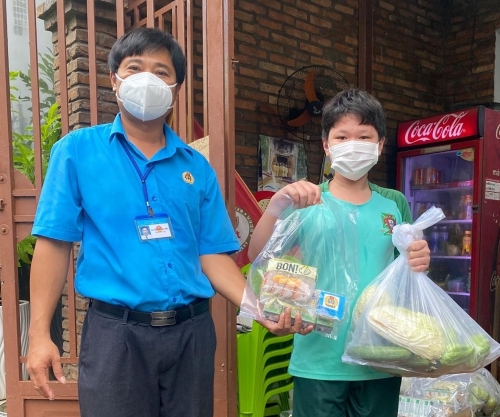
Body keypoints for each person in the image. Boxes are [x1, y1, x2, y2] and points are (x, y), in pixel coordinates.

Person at [26, 27, 308, 417]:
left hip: (191, 334)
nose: (147, 79)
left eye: (161, 72)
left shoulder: (197, 168)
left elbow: (212, 255)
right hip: (116, 336)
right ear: (114, 79)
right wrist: (39, 334)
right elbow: (54, 243)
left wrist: (259, 308)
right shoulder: (77, 152)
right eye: (135, 67)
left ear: (175, 87)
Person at [248, 88, 431, 417]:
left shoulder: (394, 204)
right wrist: (276, 205)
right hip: (318, 359)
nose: (353, 144)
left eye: (364, 136)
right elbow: (256, 256)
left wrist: (420, 261)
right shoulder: (304, 201)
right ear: (327, 146)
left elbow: (405, 276)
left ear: (379, 145)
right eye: (342, 136)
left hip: (380, 358)